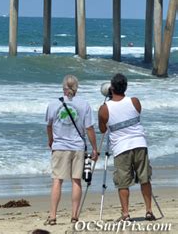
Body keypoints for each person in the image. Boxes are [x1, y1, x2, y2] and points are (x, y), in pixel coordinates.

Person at [98, 73, 156, 222]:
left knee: (123, 182)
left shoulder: (104, 109)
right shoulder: (135, 101)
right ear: (125, 87)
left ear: (111, 88)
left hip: (121, 148)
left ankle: (125, 214)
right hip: (139, 143)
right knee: (144, 178)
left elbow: (103, 130)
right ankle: (149, 210)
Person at [44, 75, 98, 225]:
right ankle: (74, 215)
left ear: (63, 87)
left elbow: (49, 125)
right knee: (76, 181)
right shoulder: (84, 104)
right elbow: (89, 128)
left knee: (57, 180)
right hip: (78, 146)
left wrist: (51, 140)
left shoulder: (54, 104)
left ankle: (53, 215)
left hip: (60, 146)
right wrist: (94, 148)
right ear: (76, 87)